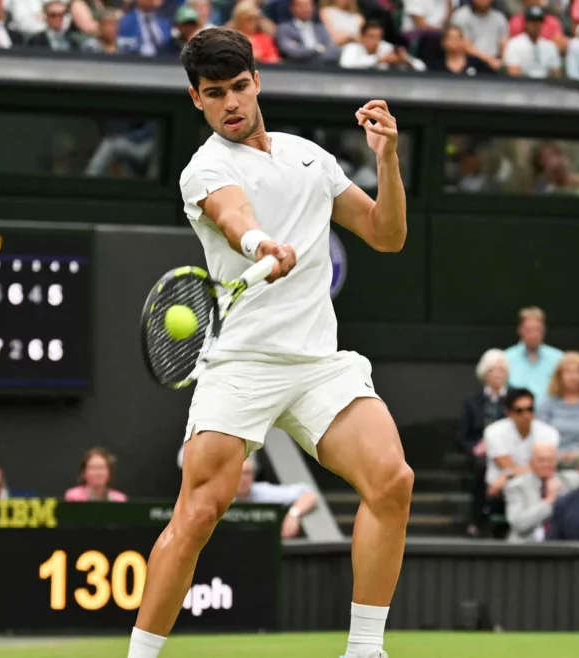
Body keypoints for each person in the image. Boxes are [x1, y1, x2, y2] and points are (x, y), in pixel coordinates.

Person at [129, 28, 411, 658]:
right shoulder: (205, 167)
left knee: (392, 480)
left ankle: (365, 650)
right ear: (195, 99)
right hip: (242, 363)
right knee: (199, 513)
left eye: (237, 87)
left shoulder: (311, 156)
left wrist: (387, 158)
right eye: (213, 94)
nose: (229, 103)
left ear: (256, 81)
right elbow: (234, 217)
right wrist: (261, 244)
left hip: (318, 364)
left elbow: (385, 234)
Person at [457, 348, 509, 535]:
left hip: (509, 451)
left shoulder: (514, 399)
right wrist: (474, 448)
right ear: (484, 373)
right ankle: (478, 517)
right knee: (481, 467)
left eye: (502, 369)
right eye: (493, 370)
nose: (497, 374)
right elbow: (462, 436)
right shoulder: (473, 401)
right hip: (483, 455)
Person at [503, 442, 579, 543]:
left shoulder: (570, 482)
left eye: (550, 460)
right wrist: (549, 500)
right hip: (523, 547)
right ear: (531, 462)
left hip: (560, 548)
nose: (546, 464)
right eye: (541, 460)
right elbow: (520, 524)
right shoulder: (516, 486)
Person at [538, 352, 579, 466]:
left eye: (577, 372)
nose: (572, 377)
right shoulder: (548, 403)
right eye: (568, 372)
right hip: (551, 458)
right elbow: (540, 434)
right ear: (559, 376)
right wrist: (556, 454)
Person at [233, 454, 317, 539]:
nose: (243, 478)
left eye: (247, 473)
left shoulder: (262, 492)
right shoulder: (219, 495)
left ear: (253, 476)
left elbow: (308, 494)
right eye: (237, 472)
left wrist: (294, 514)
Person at [504, 307, 564, 405]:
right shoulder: (505, 358)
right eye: (529, 330)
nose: (534, 334)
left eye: (538, 330)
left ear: (544, 330)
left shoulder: (559, 358)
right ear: (520, 330)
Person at [64, 448, 129, 502]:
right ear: (83, 473)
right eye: (93, 468)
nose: (98, 473)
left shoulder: (120, 499)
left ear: (110, 473)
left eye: (102, 468)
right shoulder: (73, 497)